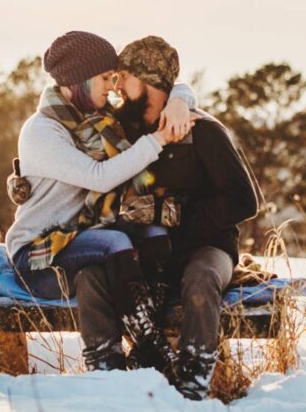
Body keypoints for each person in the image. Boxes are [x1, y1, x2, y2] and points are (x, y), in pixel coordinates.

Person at [4, 30, 197, 373]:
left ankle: (160, 327)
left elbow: (168, 88)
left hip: (78, 238)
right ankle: (149, 344)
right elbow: (100, 176)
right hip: (38, 255)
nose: (112, 86)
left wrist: (180, 98)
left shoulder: (97, 120)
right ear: (80, 78)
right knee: (115, 241)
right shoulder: (43, 131)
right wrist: (158, 140)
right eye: (106, 78)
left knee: (152, 233)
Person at [111, 36, 261, 399]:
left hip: (207, 247)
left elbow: (245, 200)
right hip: (147, 250)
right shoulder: (122, 130)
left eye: (124, 78)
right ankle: (131, 371)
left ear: (149, 83)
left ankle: (193, 381)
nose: (116, 86)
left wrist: (177, 220)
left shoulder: (204, 131)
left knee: (201, 278)